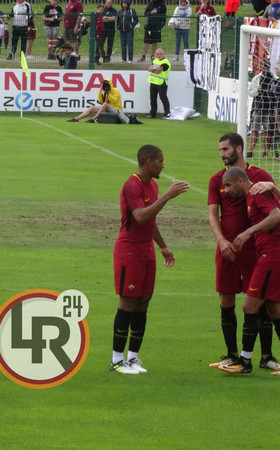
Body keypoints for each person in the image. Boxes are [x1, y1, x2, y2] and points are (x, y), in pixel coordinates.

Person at [110, 145, 189, 374]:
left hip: (147, 251)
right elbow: (141, 217)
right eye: (160, 161)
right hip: (129, 251)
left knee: (143, 301)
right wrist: (167, 196)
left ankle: (133, 357)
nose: (163, 165)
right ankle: (116, 360)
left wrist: (162, 246)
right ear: (147, 162)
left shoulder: (152, 185)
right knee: (128, 303)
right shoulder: (132, 185)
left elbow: (151, 220)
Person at [207, 133, 280, 371]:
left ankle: (263, 357)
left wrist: (274, 187)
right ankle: (233, 356)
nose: (222, 154)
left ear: (239, 148)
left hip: (259, 250)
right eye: (220, 150)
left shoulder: (259, 180)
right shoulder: (218, 179)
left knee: (262, 302)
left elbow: (276, 212)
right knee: (228, 299)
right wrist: (221, 240)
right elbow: (212, 214)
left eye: (226, 149)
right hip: (228, 248)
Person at [247, 60, 277, 159]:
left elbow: (275, 93)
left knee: (267, 131)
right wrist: (257, 90)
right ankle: (250, 151)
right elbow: (250, 92)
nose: (265, 69)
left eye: (266, 67)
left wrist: (269, 92)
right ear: (260, 67)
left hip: (269, 108)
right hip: (258, 107)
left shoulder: (273, 79)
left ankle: (265, 153)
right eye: (264, 66)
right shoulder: (256, 78)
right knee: (254, 129)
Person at [147, 48, 171, 118]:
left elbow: (158, 71)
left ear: (163, 54)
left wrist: (153, 69)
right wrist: (154, 69)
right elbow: (149, 69)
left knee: (163, 98)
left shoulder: (166, 62)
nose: (159, 55)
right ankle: (152, 114)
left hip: (161, 83)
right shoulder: (155, 60)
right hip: (153, 82)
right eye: (157, 54)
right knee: (152, 98)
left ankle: (167, 113)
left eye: (160, 54)